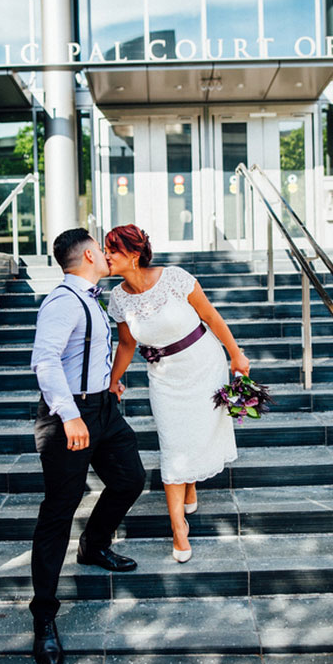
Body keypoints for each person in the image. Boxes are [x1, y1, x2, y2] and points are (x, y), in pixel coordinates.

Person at [30, 228, 145, 664]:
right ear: (91, 254)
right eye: (101, 248)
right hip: (70, 416)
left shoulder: (92, 296)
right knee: (58, 513)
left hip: (102, 409)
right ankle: (43, 618)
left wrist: (107, 383)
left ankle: (93, 545)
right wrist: (70, 414)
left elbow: (88, 350)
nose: (106, 253)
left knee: (129, 479)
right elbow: (45, 360)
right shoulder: (62, 300)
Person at [105, 225, 250, 562]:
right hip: (165, 378)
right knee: (173, 445)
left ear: (134, 254)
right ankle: (178, 528)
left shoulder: (174, 277)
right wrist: (113, 380)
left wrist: (236, 353)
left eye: (112, 250)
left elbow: (210, 315)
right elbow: (127, 344)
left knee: (195, 434)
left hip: (203, 364)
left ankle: (191, 485)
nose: (106, 256)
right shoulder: (118, 297)